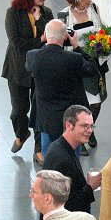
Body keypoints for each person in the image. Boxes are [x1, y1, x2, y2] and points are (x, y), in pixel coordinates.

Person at [26, 19, 99, 159]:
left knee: (49, 157)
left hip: (46, 118)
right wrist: (77, 46)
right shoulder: (74, 59)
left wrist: (45, 45)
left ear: (46, 36)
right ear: (66, 36)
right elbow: (92, 69)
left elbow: (29, 66)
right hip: (69, 118)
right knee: (72, 156)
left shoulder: (33, 56)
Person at [2, 0, 53, 165]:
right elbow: (16, 42)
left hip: (39, 68)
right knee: (18, 111)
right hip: (17, 69)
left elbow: (50, 38)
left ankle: (39, 148)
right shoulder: (13, 13)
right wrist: (40, 39)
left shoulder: (46, 13)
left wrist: (40, 25)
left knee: (39, 110)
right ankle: (22, 133)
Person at [60, 0, 109, 151]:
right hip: (76, 64)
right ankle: (82, 133)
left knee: (97, 102)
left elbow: (101, 30)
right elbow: (63, 41)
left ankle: (89, 128)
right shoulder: (65, 15)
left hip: (94, 63)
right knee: (81, 102)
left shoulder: (94, 9)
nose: (89, 0)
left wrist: (104, 45)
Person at [42, 105, 101, 220]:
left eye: (91, 126)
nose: (89, 130)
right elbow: (68, 205)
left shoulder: (59, 148)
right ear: (68, 125)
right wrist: (90, 186)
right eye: (84, 126)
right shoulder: (62, 159)